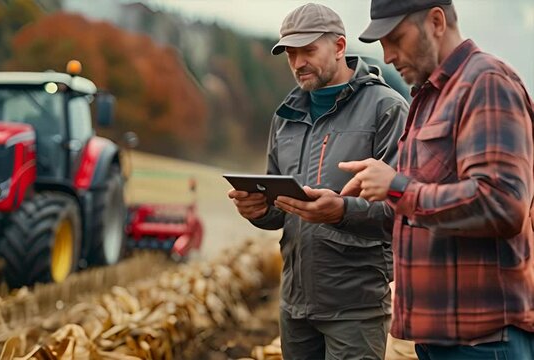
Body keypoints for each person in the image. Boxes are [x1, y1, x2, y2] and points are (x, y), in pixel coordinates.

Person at [339, 0, 534, 358]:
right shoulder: (430, 99)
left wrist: (397, 187)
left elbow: (503, 203)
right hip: (440, 340)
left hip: (485, 341)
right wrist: (337, 210)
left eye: (396, 38)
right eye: (382, 46)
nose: (388, 56)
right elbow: (419, 211)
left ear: (436, 21)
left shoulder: (486, 83)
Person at [227, 3, 409, 359]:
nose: (298, 63)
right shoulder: (285, 116)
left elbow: (403, 212)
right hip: (294, 305)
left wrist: (341, 211)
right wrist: (257, 211)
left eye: (308, 50)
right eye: (291, 54)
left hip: (356, 308)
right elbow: (280, 209)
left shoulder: (387, 108)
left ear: (340, 47)